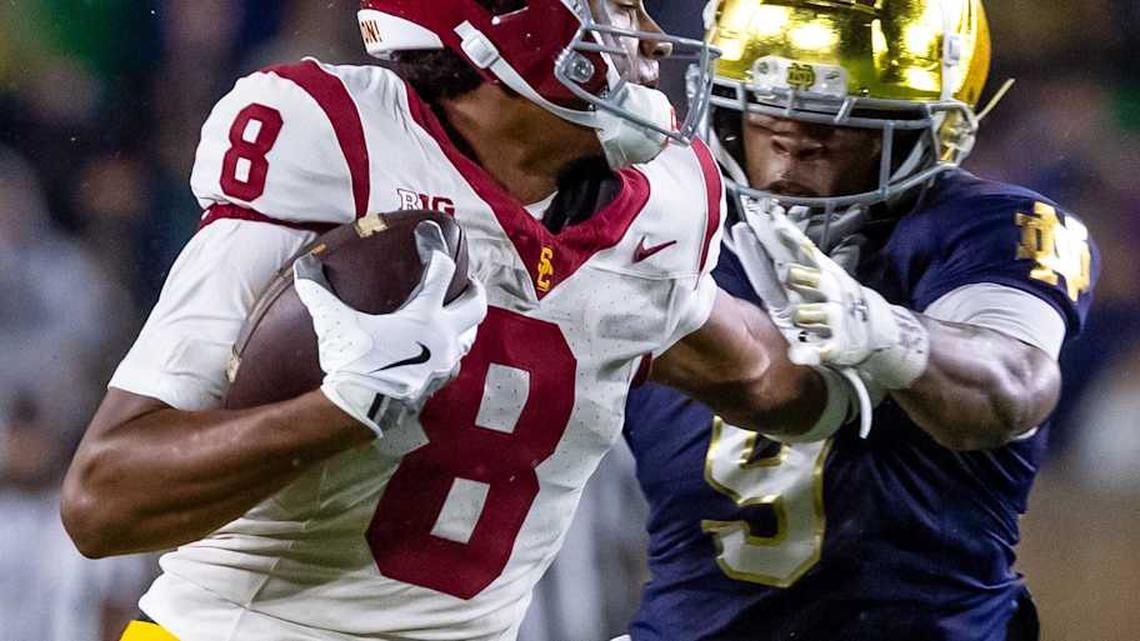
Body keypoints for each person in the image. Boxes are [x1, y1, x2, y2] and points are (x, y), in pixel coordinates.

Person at [60, 2, 850, 640]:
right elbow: (104, 502)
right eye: (618, 8)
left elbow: (761, 373)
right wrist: (340, 409)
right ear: (510, 23)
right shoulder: (338, 147)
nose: (649, 38)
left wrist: (886, 350)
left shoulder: (665, 210)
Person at [621, 1, 1099, 640]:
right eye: (764, 112)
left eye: (835, 125)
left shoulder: (988, 229)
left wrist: (889, 337)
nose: (791, 146)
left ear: (932, 130)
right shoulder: (662, 225)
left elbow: (1010, 388)